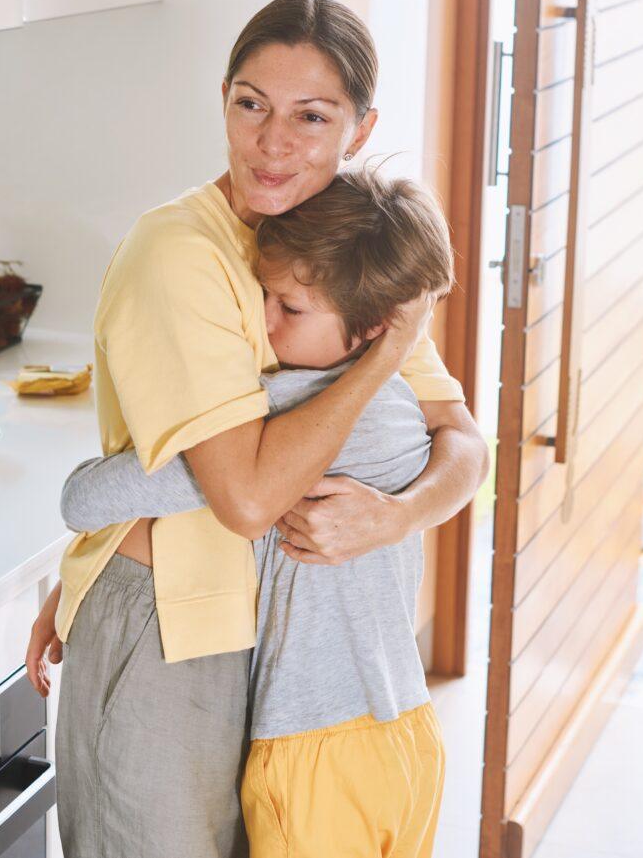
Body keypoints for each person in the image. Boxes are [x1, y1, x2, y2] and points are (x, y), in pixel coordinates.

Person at [24, 0, 490, 858]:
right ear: (226, 101)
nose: (273, 142)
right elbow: (241, 497)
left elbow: (463, 438)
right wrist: (386, 358)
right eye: (251, 104)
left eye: (311, 116)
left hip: (272, 644)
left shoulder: (341, 244)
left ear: (359, 127)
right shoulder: (181, 254)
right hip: (171, 629)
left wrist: (396, 515)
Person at [60, 169, 455, 857]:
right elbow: (469, 444)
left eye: (287, 307)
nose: (263, 324)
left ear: (368, 329)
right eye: (262, 297)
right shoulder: (397, 408)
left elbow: (84, 499)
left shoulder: (291, 420)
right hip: (408, 733)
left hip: (312, 751)